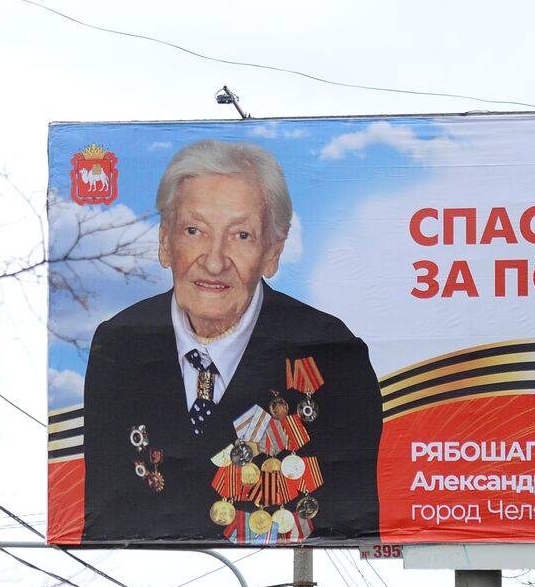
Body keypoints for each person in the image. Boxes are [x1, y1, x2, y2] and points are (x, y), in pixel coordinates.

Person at [80, 139, 382, 545]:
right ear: (165, 240)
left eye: (241, 235)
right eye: (194, 231)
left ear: (273, 250)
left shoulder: (334, 356)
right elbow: (104, 513)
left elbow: (351, 519)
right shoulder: (117, 346)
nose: (215, 260)